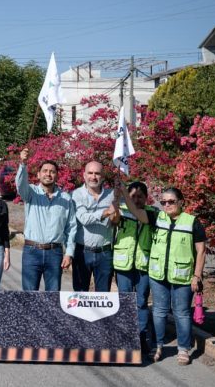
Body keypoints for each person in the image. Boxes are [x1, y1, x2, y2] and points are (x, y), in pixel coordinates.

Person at [117, 185, 206, 366]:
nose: (166, 205)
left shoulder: (192, 222)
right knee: (158, 312)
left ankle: (183, 348)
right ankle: (157, 346)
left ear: (181, 202)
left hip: (182, 276)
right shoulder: (157, 217)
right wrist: (124, 192)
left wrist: (197, 275)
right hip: (158, 275)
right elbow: (135, 210)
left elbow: (201, 250)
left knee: (181, 313)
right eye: (163, 201)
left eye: (171, 201)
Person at [15, 148, 76, 291]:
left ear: (57, 175)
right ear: (38, 174)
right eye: (45, 171)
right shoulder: (30, 193)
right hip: (31, 252)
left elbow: (71, 227)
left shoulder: (66, 199)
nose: (48, 174)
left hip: (54, 253)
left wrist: (69, 253)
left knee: (53, 298)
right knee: (29, 297)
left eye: (52, 171)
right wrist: (23, 164)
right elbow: (20, 185)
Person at [113, 181, 155, 355]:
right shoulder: (121, 210)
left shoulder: (153, 213)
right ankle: (124, 337)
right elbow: (112, 220)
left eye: (140, 196)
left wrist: (125, 194)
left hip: (143, 265)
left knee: (141, 303)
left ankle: (142, 338)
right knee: (124, 302)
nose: (137, 199)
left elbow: (139, 215)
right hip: (123, 264)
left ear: (146, 198)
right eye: (133, 196)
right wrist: (117, 198)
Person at [71, 161, 119, 292]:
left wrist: (121, 194)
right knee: (80, 295)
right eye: (90, 173)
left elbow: (117, 219)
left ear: (102, 176)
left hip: (104, 253)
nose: (93, 177)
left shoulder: (112, 195)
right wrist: (106, 212)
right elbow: (84, 219)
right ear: (84, 175)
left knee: (103, 296)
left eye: (97, 173)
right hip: (82, 252)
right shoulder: (77, 194)